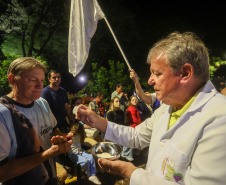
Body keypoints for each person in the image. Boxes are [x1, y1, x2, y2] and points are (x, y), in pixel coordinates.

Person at [76, 32, 226, 185]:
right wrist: (99, 122)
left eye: (157, 73)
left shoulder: (219, 119)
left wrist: (130, 172)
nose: (149, 81)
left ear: (185, 73)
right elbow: (137, 136)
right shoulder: (167, 107)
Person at [0, 57, 72, 185]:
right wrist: (46, 154)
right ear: (12, 79)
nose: (40, 86)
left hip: (50, 178)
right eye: (33, 80)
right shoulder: (3, 114)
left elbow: (53, 129)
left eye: (42, 80)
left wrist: (60, 139)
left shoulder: (42, 103)